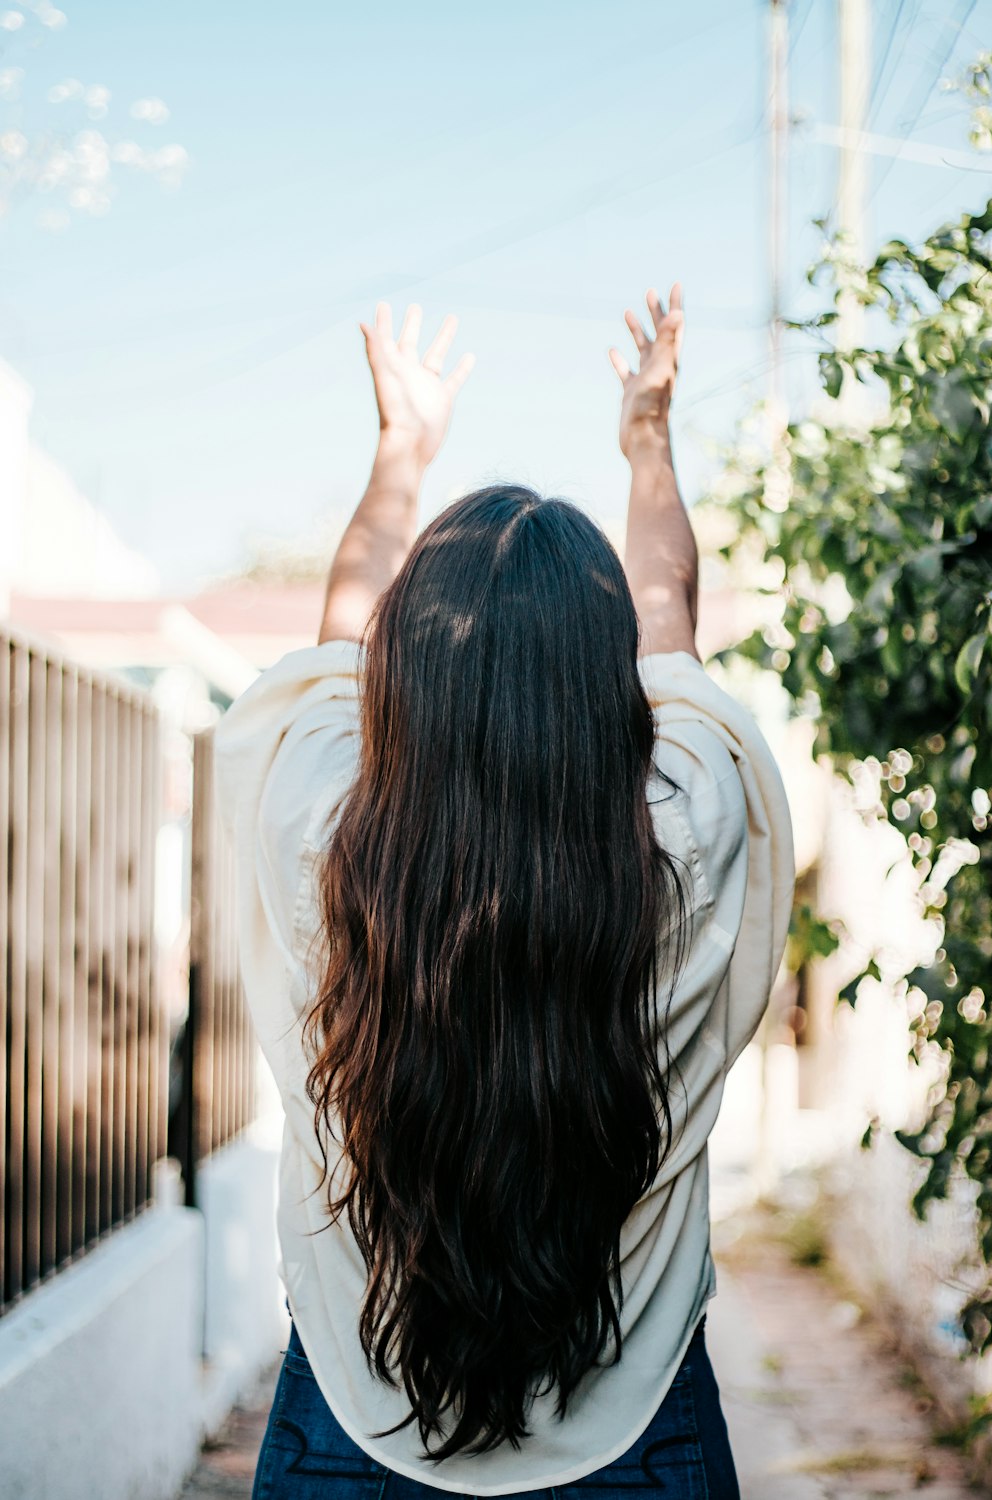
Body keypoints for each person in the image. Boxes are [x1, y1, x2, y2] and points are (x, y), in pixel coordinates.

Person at [215, 286, 795, 1500]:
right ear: (607, 695)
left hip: (354, 1426)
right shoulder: (686, 844)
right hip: (634, 1437)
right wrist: (648, 441)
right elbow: (669, 616)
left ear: (401, 675)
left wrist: (399, 453)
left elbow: (335, 634)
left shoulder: (319, 838)